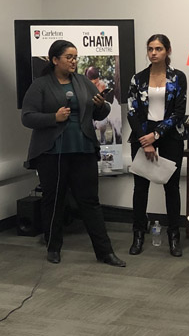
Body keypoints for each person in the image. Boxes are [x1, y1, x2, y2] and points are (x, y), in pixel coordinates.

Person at [22, 39, 126, 267]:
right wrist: (53, 118)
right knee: (54, 201)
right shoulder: (40, 85)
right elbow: (27, 117)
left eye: (75, 57)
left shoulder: (82, 82)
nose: (74, 61)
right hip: (52, 153)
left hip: (83, 149)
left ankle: (105, 252)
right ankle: (53, 247)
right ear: (54, 59)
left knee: (90, 202)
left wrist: (100, 105)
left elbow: (99, 114)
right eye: (69, 57)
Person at [126, 34, 187, 257]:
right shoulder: (138, 78)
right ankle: (138, 234)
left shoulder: (178, 77)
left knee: (171, 187)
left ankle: (173, 236)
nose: (154, 53)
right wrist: (146, 139)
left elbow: (179, 112)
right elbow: (132, 111)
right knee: (140, 188)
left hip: (169, 134)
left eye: (159, 49)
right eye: (150, 49)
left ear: (168, 51)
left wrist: (157, 135)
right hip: (142, 134)